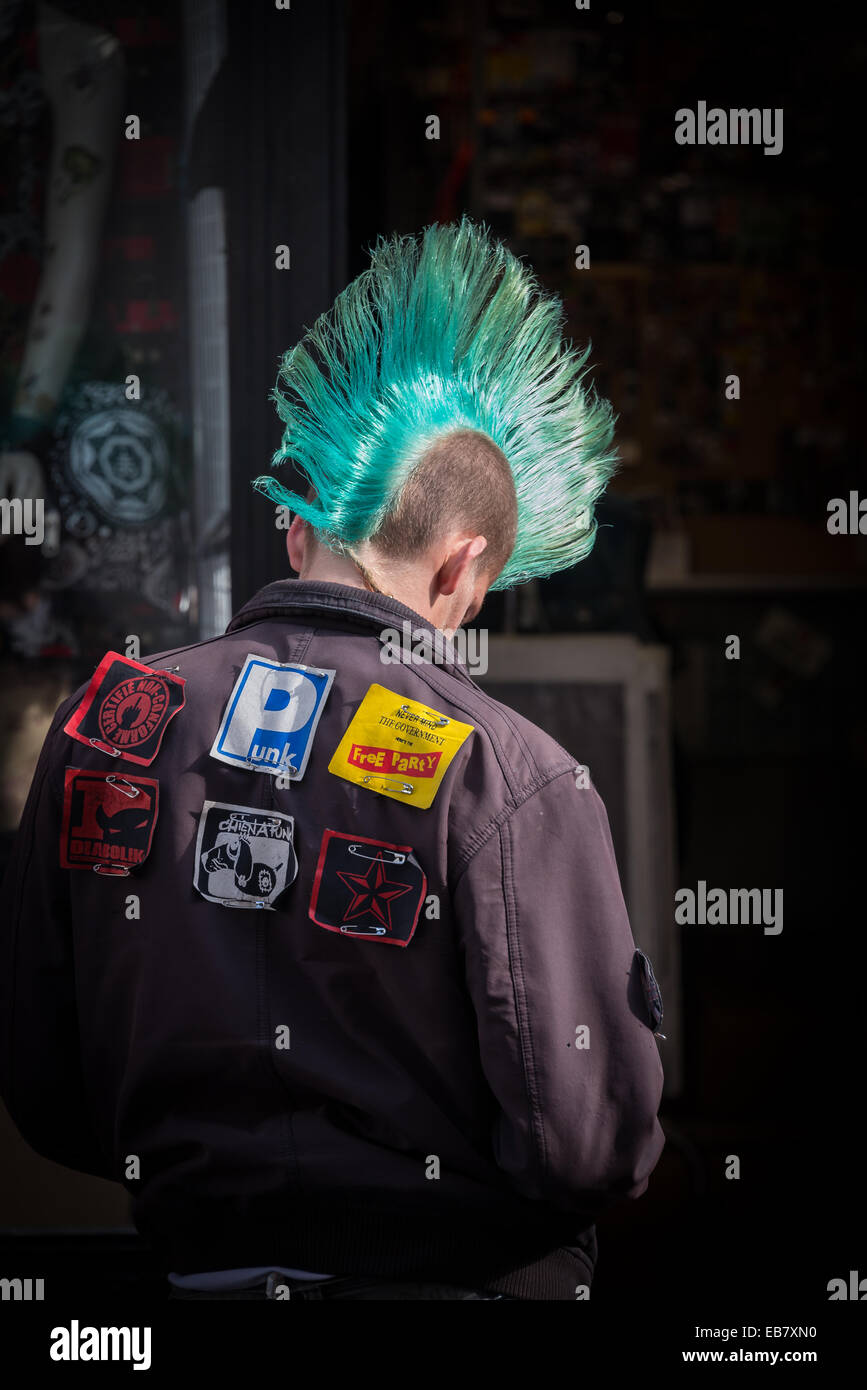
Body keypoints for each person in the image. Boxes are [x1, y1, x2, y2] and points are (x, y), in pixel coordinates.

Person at [0, 216, 665, 1301]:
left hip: (188, 1277)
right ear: (467, 564)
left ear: (294, 528)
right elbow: (589, 1144)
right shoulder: (507, 771)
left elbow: (44, 1084)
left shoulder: (107, 722)